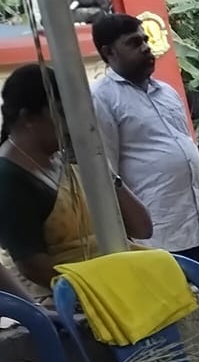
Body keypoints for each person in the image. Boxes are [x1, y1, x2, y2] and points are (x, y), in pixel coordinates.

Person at [91, 14, 199, 276]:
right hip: (158, 240)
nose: (145, 47)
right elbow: (107, 177)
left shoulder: (167, 92)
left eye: (145, 40)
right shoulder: (101, 98)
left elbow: (189, 164)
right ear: (109, 52)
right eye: (134, 43)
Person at [0, 63, 152, 292]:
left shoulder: (70, 163)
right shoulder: (9, 178)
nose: (72, 122)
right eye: (61, 112)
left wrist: (101, 169)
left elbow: (142, 228)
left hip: (116, 288)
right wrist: (102, 287)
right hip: (70, 305)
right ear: (28, 117)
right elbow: (33, 266)